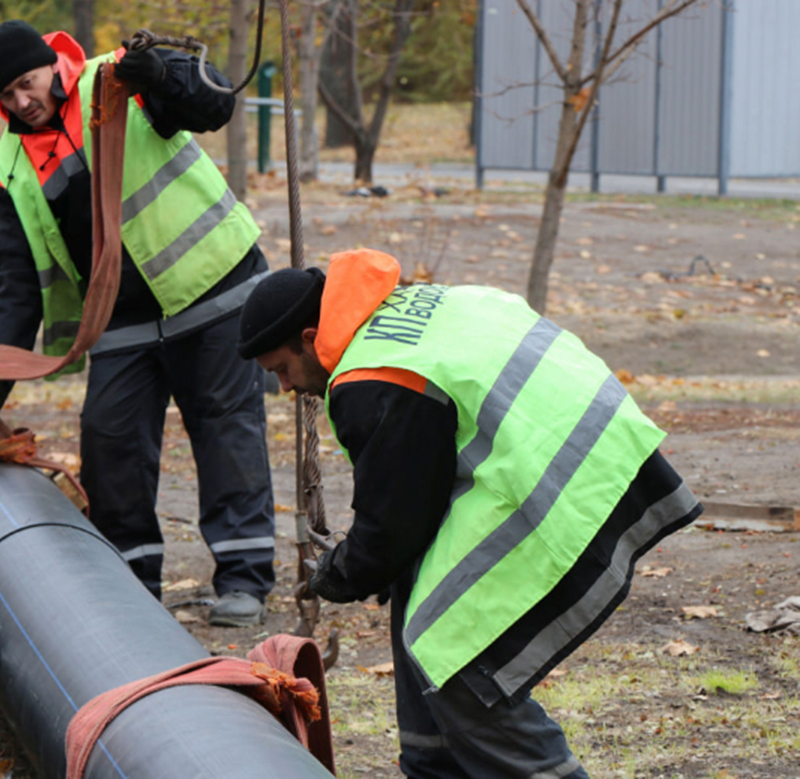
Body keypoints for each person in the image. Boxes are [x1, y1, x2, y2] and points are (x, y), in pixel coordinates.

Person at [237, 248, 703, 778]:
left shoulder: (372, 377)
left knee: (458, 662)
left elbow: (395, 521)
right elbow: (415, 498)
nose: (286, 389)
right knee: (423, 603)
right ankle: (431, 761)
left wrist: (342, 573)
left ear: (306, 338)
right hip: (593, 451)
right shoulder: (404, 309)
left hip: (560, 481)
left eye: (282, 370)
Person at [0, 21, 275, 627]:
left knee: (224, 429)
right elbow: (19, 284)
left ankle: (244, 581)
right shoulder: (7, 169)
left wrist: (162, 76)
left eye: (27, 83)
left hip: (211, 288)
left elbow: (214, 106)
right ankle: (133, 583)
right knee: (109, 442)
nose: (22, 102)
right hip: (117, 319)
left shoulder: (119, 79)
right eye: (5, 95)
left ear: (51, 66)